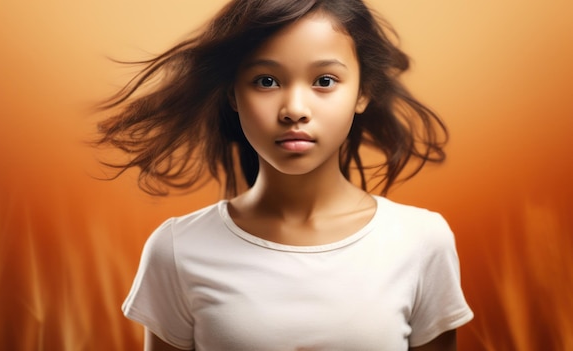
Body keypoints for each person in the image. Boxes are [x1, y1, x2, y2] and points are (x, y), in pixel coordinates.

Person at [98, 0, 473, 350]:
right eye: (266, 81)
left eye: (324, 81)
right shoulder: (177, 249)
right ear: (233, 94)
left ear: (363, 92)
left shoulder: (422, 241)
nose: (294, 109)